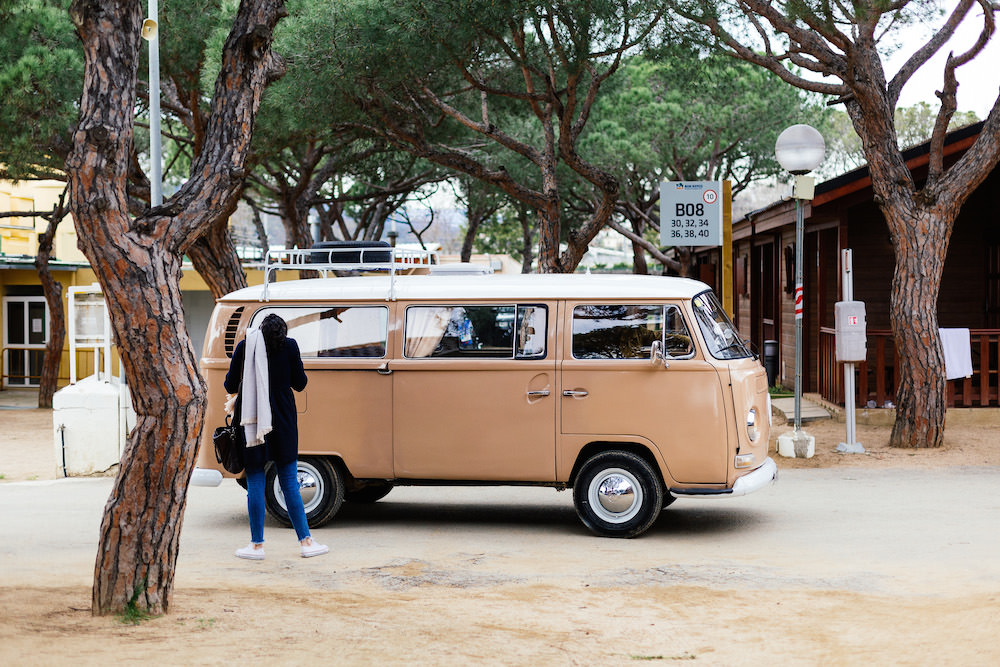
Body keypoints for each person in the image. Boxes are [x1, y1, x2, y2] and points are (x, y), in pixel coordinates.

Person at [225, 313, 328, 560]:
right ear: (283, 332)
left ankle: (257, 546)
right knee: (290, 482)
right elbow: (301, 383)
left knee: (256, 482)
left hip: (252, 422)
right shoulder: (290, 346)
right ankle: (306, 542)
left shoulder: (245, 347)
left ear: (259, 330)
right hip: (283, 421)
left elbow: (229, 385)